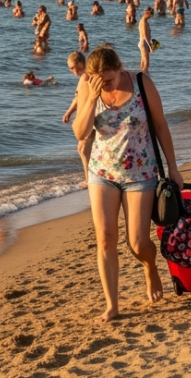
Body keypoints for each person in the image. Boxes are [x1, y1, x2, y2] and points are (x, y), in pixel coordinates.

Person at [72, 45, 183, 323]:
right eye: (98, 78)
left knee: (137, 241)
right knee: (106, 238)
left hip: (141, 174)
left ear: (120, 68)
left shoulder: (141, 82)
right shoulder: (88, 85)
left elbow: (160, 126)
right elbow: (80, 132)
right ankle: (112, 305)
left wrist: (173, 167)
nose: (104, 83)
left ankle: (150, 267)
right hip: (102, 174)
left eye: (107, 79)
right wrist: (91, 97)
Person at [62, 51, 94, 176]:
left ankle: (89, 179)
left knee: (83, 149)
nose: (71, 71)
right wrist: (69, 112)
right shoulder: (83, 78)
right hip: (84, 117)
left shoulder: (88, 77)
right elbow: (77, 98)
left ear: (80, 64)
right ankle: (91, 177)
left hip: (90, 117)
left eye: (72, 67)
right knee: (82, 149)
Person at [138, 7, 154, 72]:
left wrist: (150, 44)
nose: (151, 17)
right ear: (147, 13)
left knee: (143, 62)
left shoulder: (145, 21)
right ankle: (145, 77)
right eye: (151, 15)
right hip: (143, 43)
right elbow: (144, 35)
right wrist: (150, 47)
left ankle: (141, 77)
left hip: (145, 43)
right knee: (146, 64)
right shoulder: (143, 22)